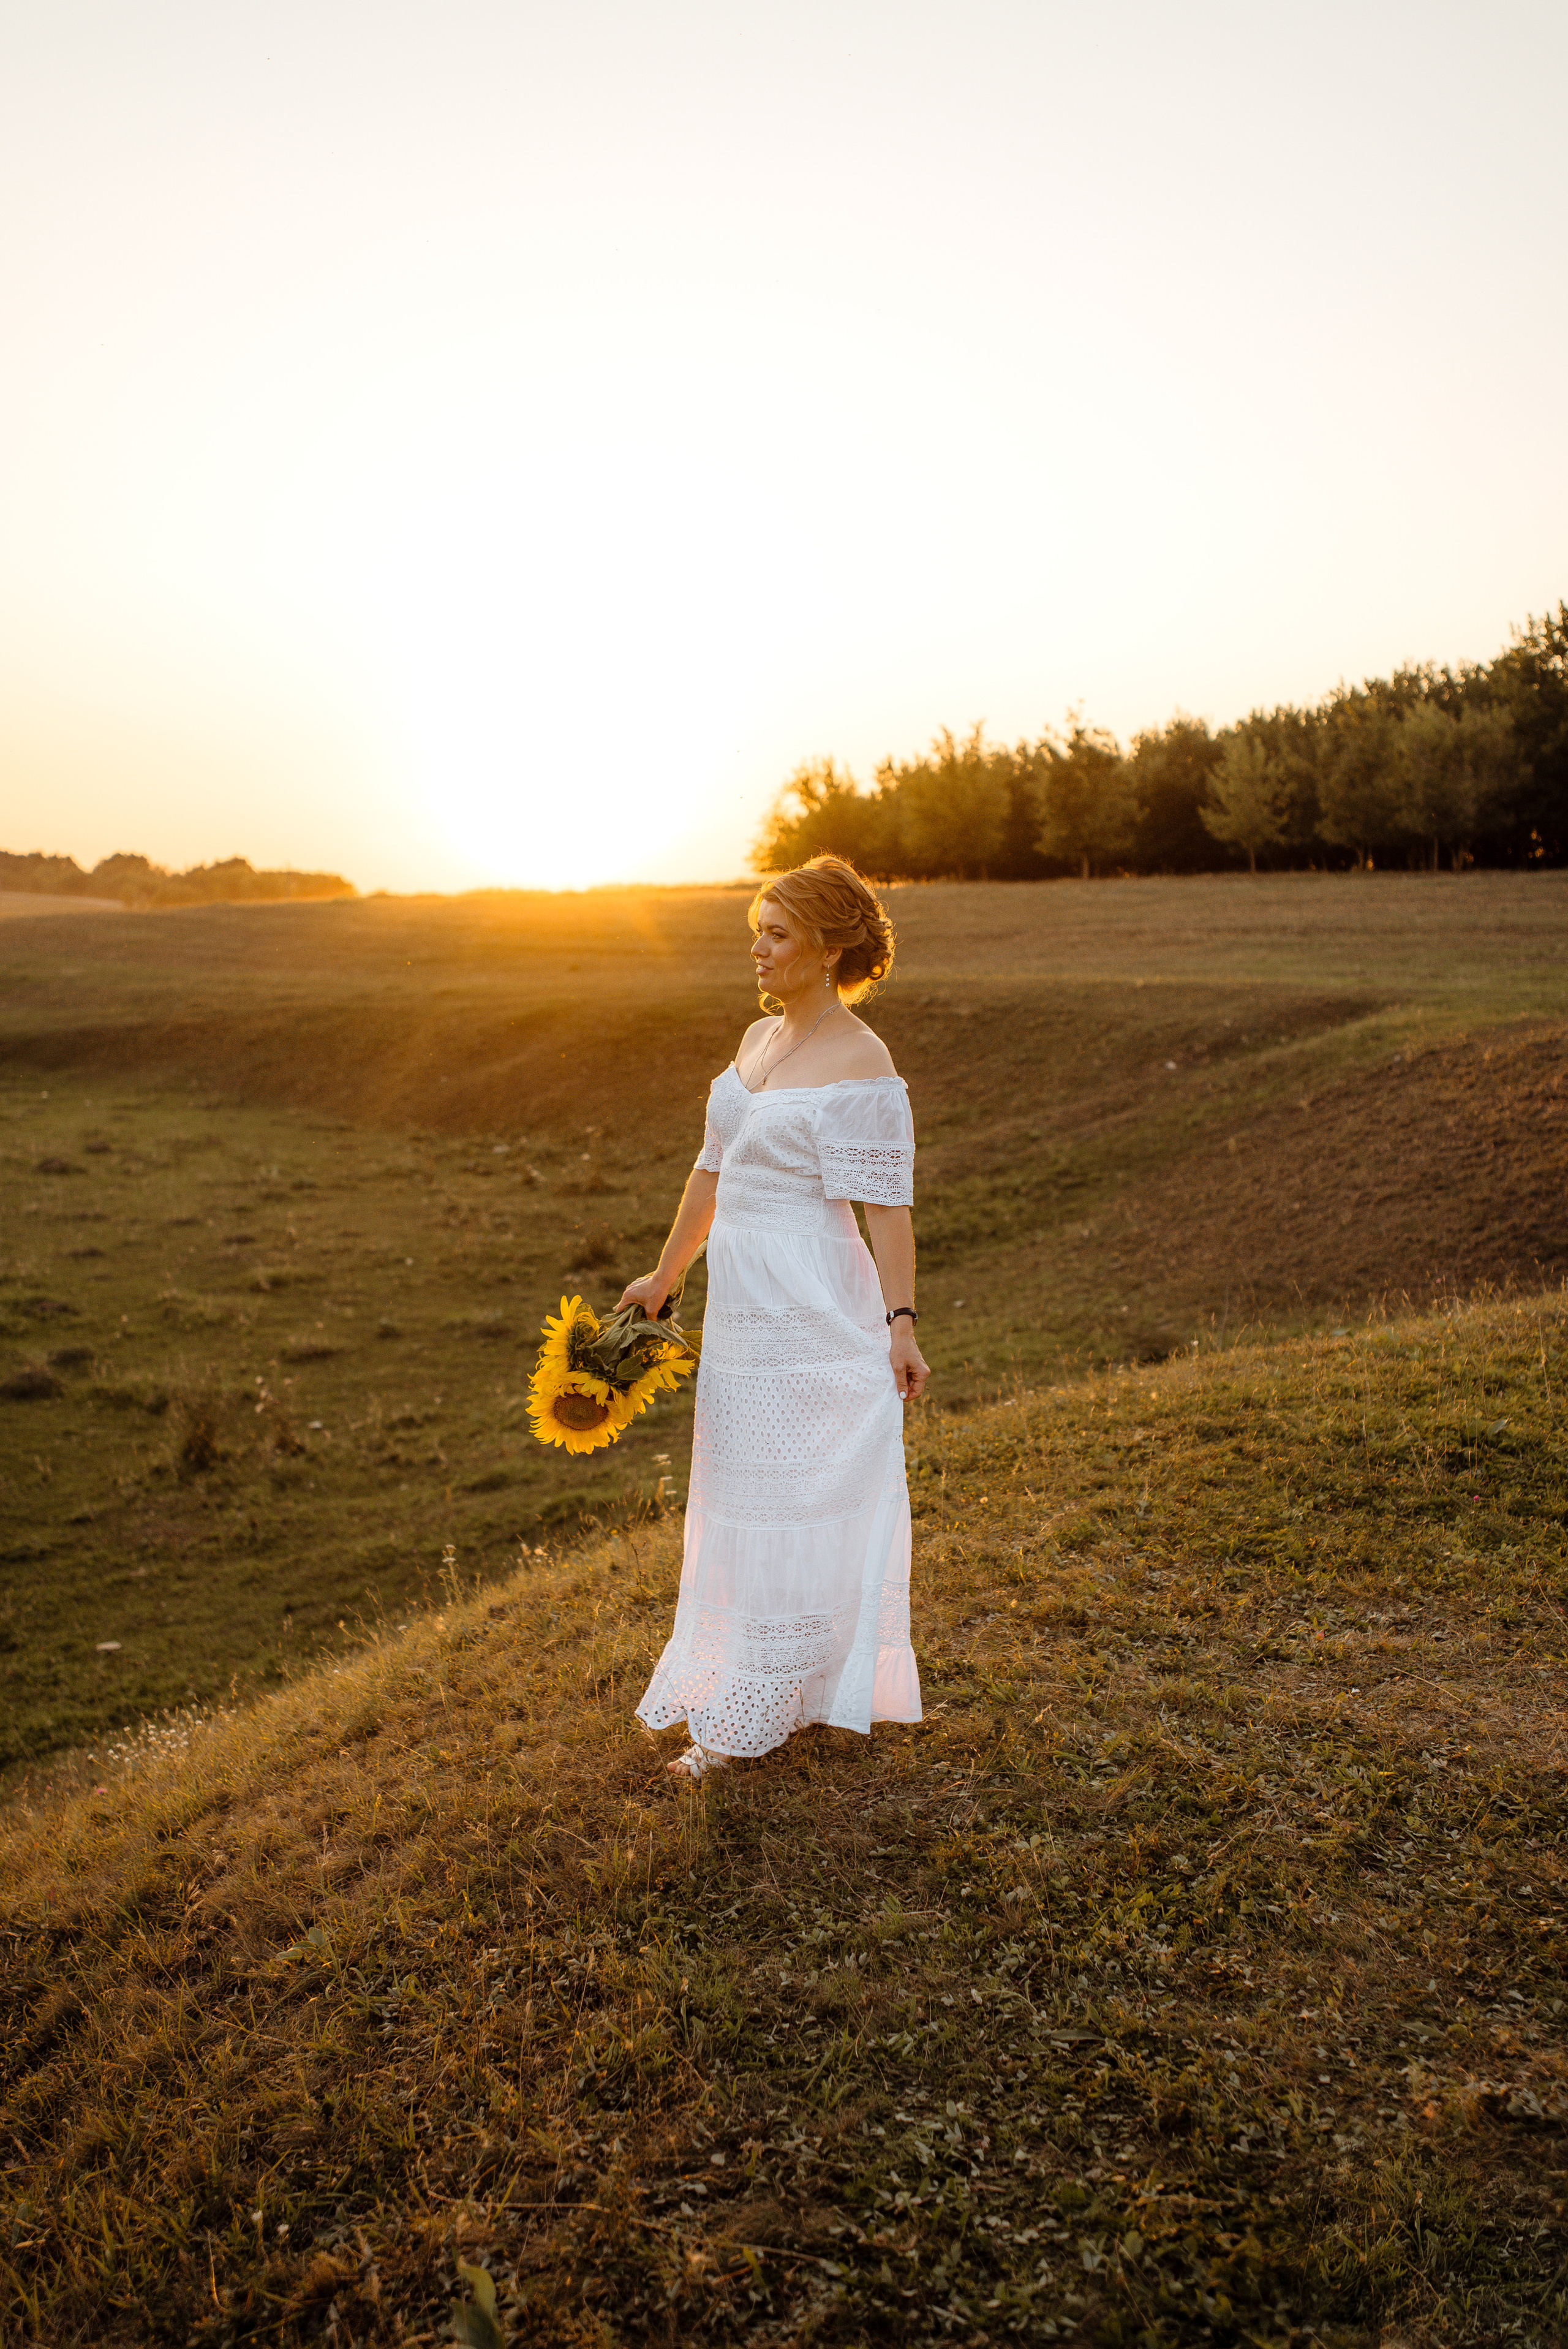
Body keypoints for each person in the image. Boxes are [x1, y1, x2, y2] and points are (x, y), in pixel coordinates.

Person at [622, 855, 930, 1779]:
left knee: (795, 1496)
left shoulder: (862, 1059)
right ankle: (764, 1680)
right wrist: (666, 1273)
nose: (757, 948)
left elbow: (888, 1211)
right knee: (741, 1493)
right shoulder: (755, 1043)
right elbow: (710, 1168)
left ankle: (754, 1708)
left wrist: (901, 1324)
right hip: (745, 1314)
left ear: (829, 946)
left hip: (812, 1308)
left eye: (778, 933)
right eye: (756, 929)